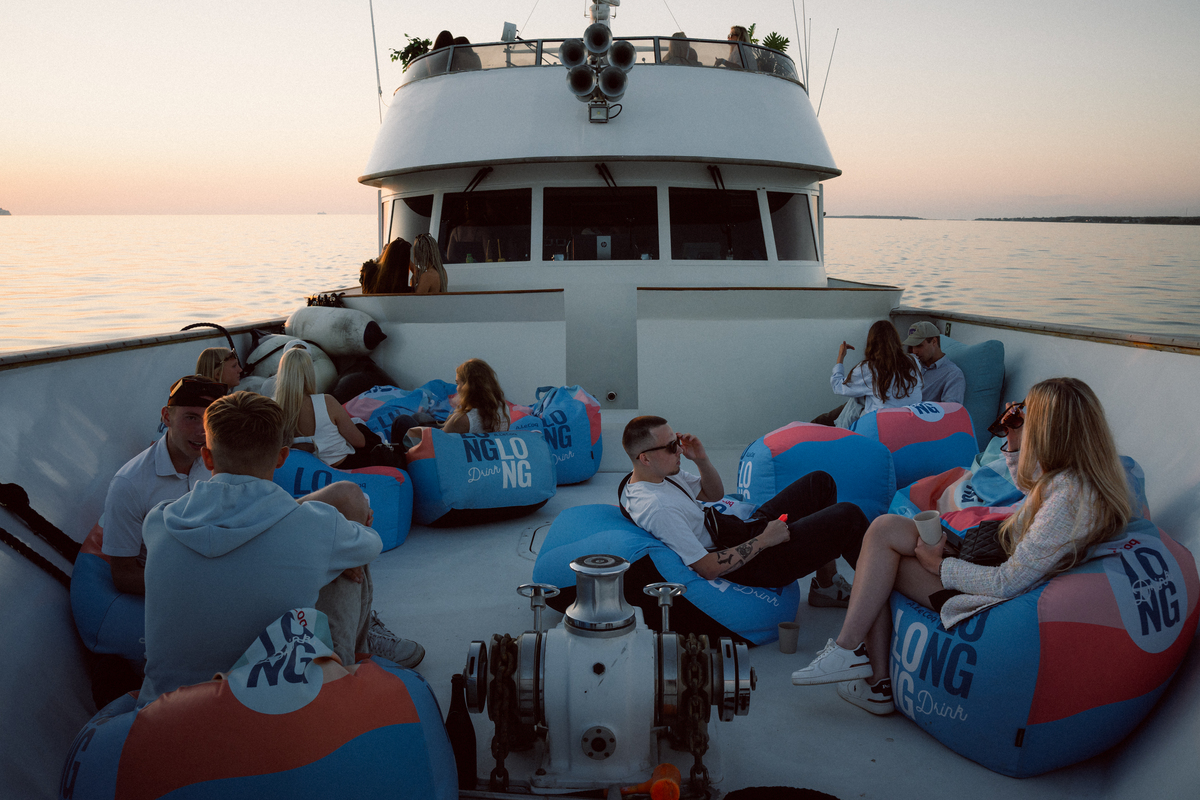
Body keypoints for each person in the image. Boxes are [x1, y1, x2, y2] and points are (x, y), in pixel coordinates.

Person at [791, 378, 1132, 716]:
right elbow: (1027, 486)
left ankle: (863, 666)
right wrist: (1013, 441)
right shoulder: (1075, 480)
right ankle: (857, 660)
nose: (1019, 422)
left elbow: (1007, 583)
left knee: (880, 558)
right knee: (885, 527)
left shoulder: (1068, 498)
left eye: (1025, 418)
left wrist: (938, 566)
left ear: (1047, 429)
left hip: (992, 602)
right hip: (995, 564)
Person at [138, 391, 423, 707]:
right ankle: (348, 673)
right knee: (348, 559)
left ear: (207, 457)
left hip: (166, 710)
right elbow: (372, 544)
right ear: (282, 457)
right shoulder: (315, 526)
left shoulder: (159, 521)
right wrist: (344, 529)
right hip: (269, 708)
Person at [620, 416, 868, 605]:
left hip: (735, 532)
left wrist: (701, 459)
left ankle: (826, 586)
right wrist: (765, 540)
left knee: (820, 482)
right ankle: (878, 602)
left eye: (676, 441)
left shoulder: (656, 475)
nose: (679, 450)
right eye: (670, 447)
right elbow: (707, 567)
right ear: (645, 458)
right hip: (750, 564)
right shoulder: (659, 508)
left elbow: (713, 494)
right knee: (849, 517)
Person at [101, 375, 226, 595]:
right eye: (191, 418)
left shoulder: (222, 461)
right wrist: (197, 585)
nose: (202, 431)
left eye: (210, 420)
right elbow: (123, 575)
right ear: (167, 417)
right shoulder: (129, 484)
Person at [274, 347, 398, 469]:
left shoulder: (273, 409)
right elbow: (360, 442)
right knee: (364, 432)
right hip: (341, 465)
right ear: (309, 374)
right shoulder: (326, 402)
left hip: (302, 468)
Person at [812, 320, 923, 428]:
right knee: (862, 397)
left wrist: (840, 358)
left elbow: (838, 386)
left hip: (881, 426)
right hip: (909, 422)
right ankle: (839, 428)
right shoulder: (913, 362)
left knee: (857, 399)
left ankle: (840, 431)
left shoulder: (869, 368)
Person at [902, 320, 966, 404]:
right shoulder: (911, 366)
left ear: (934, 342)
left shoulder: (952, 374)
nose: (914, 351)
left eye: (919, 346)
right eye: (912, 347)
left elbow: (952, 409)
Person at [442, 358, 510, 434]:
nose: (456, 388)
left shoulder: (462, 419)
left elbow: (439, 440)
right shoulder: (504, 411)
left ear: (466, 387)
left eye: (458, 383)